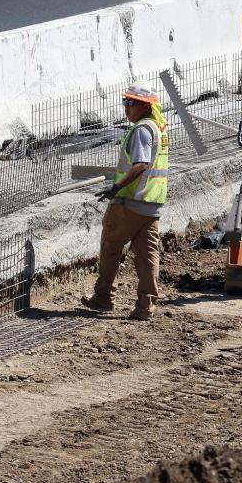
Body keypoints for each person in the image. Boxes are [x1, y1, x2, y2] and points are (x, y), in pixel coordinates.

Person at [81, 85, 170, 321]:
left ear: (145, 106)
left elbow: (140, 165)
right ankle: (145, 306)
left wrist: (115, 188)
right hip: (151, 204)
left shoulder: (142, 130)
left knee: (111, 245)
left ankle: (103, 297)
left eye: (130, 103)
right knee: (148, 255)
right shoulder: (158, 128)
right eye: (125, 102)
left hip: (130, 202)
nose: (126, 108)